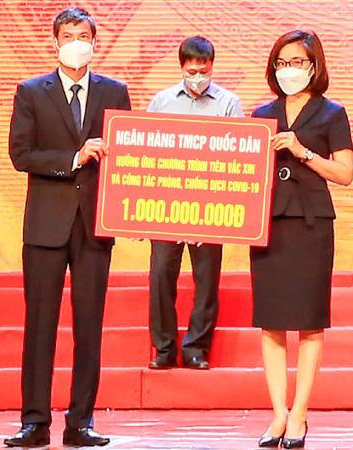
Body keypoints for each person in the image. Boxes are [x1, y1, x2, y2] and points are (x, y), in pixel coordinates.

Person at [5, 7, 131, 447]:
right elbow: (21, 154)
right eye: (68, 35)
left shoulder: (114, 92)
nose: (76, 43)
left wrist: (131, 211)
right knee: (40, 325)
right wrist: (74, 158)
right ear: (55, 42)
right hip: (46, 226)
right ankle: (34, 423)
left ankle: (81, 423)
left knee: (89, 326)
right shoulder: (31, 92)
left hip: (94, 225)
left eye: (83, 36)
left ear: (95, 42)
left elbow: (128, 161)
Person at [250, 30, 353, 449]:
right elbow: (242, 175)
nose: (288, 70)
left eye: (296, 62)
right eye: (282, 62)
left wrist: (302, 151)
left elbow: (345, 173)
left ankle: (299, 414)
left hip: (311, 225)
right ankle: (278, 414)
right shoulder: (262, 113)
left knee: (309, 322)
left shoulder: (332, 113)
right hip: (268, 225)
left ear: (314, 66)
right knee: (271, 322)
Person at [145, 36, 243, 371]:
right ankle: (163, 348)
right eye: (192, 71)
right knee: (161, 274)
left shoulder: (228, 103)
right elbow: (145, 154)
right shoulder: (161, 102)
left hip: (211, 206)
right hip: (166, 204)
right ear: (181, 67)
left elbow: (240, 156)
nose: (198, 77)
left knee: (206, 278)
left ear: (212, 66)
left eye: (204, 70)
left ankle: (197, 348)